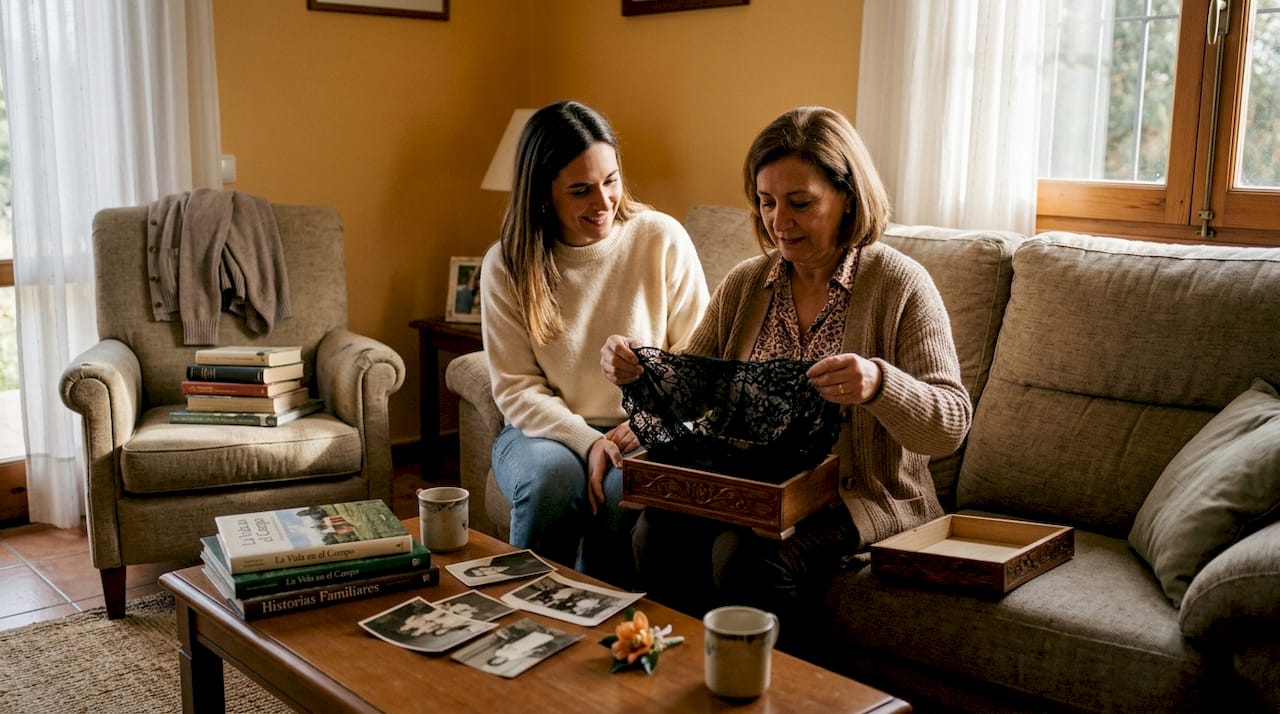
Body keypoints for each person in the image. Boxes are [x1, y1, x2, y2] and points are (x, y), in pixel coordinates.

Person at [601, 106, 972, 655]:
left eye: (800, 203)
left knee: (744, 555)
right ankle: (675, 683)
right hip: (750, 487)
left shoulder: (900, 286)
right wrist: (637, 367)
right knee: (655, 530)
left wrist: (878, 384)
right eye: (766, 202)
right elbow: (691, 388)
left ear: (847, 196)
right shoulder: (747, 284)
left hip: (858, 497)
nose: (779, 221)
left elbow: (950, 424)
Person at [481, 100, 710, 587]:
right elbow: (516, 389)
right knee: (551, 480)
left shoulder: (661, 237)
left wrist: (644, 423)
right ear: (543, 195)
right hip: (541, 433)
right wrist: (588, 442)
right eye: (581, 190)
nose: (603, 202)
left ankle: (602, 624)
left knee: (624, 483)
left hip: (644, 429)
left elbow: (701, 363)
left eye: (611, 181)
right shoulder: (507, 265)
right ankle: (529, 611)